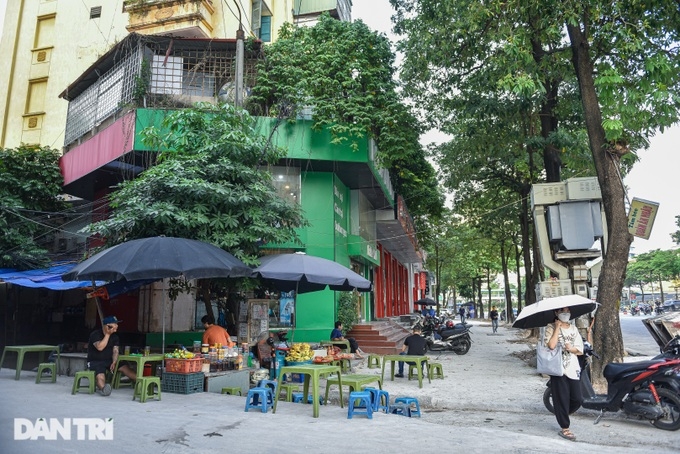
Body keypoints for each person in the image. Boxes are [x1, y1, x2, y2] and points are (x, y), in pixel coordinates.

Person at [544, 307, 584, 441]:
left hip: (572, 366)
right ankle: (565, 427)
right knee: (561, 398)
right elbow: (551, 345)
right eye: (562, 311)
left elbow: (579, 350)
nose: (565, 314)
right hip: (557, 367)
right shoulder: (550, 327)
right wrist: (557, 328)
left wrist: (570, 348)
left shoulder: (574, 328)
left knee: (577, 399)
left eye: (567, 311)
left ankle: (562, 413)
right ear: (556, 313)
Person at [87, 315, 136, 396]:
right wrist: (107, 334)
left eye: (116, 324)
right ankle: (104, 389)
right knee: (100, 375)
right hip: (95, 361)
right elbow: (100, 347)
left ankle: (140, 381)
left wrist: (114, 361)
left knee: (125, 367)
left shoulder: (115, 337)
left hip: (109, 360)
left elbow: (115, 350)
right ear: (107, 326)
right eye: (114, 324)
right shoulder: (95, 334)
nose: (116, 326)